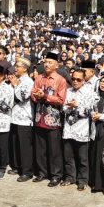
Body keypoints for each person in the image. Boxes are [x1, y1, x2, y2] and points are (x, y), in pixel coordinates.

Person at [31, 52, 67, 187]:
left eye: (50, 62)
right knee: (40, 149)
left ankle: (56, 175)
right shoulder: (39, 78)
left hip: (53, 120)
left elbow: (61, 100)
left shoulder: (61, 80)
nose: (46, 64)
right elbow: (32, 95)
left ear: (56, 65)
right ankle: (42, 172)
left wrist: (45, 96)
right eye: (45, 62)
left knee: (54, 150)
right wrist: (37, 95)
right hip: (40, 117)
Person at [61, 69, 96, 191]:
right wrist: (69, 107)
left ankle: (82, 180)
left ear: (84, 80)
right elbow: (63, 108)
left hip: (82, 130)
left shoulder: (89, 93)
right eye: (73, 79)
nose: (75, 81)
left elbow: (90, 111)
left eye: (78, 79)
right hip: (68, 129)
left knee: (82, 158)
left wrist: (77, 107)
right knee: (68, 156)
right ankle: (70, 177)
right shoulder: (68, 91)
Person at [9, 57, 35, 182]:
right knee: (16, 145)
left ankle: (27, 171)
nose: (15, 68)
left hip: (25, 118)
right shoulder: (17, 80)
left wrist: (15, 86)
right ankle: (17, 167)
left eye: (18, 66)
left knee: (24, 147)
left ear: (24, 69)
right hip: (15, 117)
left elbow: (22, 97)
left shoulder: (28, 82)